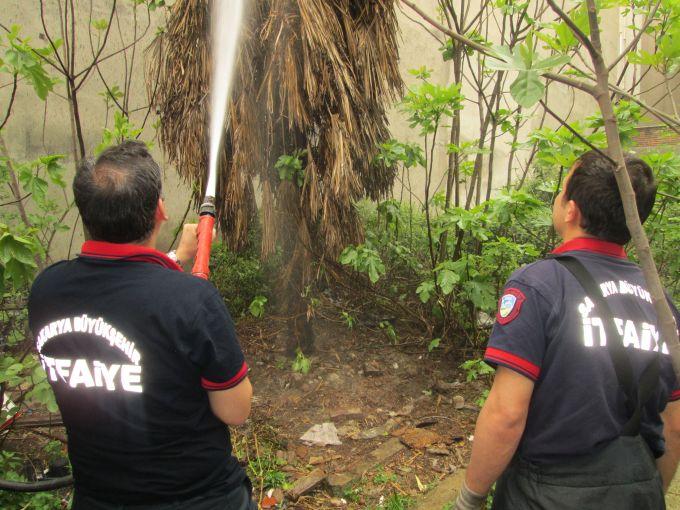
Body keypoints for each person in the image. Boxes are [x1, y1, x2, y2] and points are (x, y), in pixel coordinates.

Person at [28, 140, 256, 509]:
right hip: (199, 498)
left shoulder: (46, 290)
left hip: (99, 497)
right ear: (160, 210)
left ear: (85, 212)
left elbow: (122, 298)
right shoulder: (189, 301)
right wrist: (187, 294)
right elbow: (235, 411)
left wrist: (176, 260)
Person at [454, 150, 680, 510]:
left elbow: (507, 414)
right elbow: (674, 423)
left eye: (561, 191)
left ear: (571, 210)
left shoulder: (539, 286)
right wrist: (649, 490)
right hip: (638, 490)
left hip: (546, 493)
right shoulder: (662, 304)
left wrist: (471, 497)